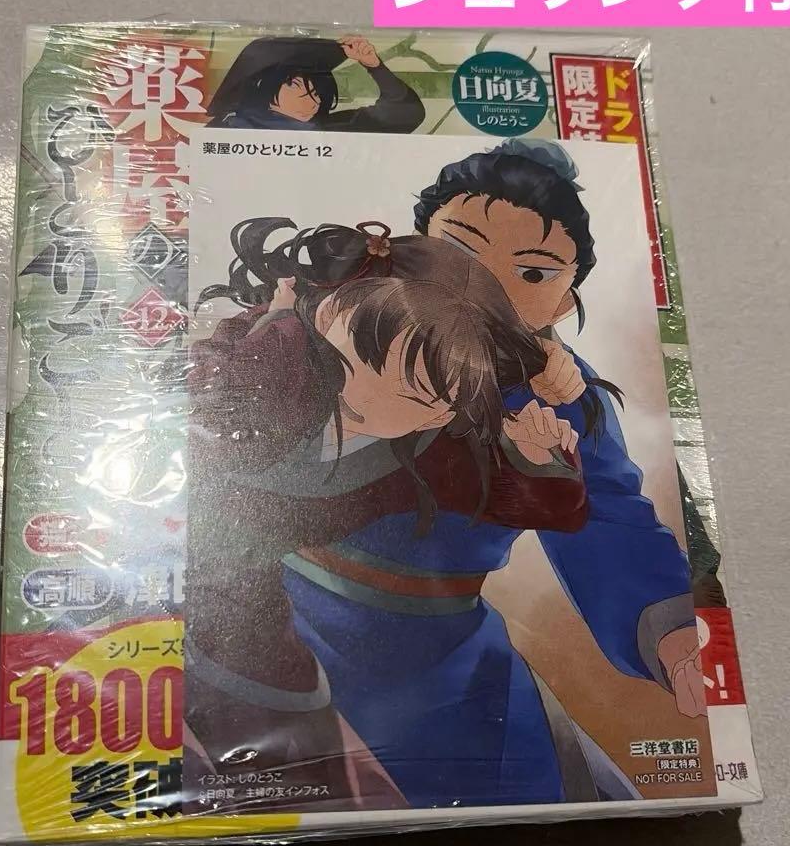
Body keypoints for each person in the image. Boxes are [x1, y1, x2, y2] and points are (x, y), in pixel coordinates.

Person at [282, 141, 708, 808]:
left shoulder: (561, 397)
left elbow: (606, 518)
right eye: (461, 251)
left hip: (439, 660)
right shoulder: (339, 317)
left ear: (563, 302)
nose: (485, 285)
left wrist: (673, 631)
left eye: (533, 273)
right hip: (274, 609)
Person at [182, 219, 587, 812]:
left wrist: (534, 458)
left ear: (441, 411)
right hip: (195, 543)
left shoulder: (429, 444)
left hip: (260, 593)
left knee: (280, 716)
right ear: (326, 315)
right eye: (357, 362)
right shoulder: (283, 358)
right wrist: (282, 323)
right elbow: (209, 397)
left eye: (414, 396)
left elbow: (533, 506)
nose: (368, 396)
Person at [205, 35, 424, 133]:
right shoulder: (228, 128)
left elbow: (405, 115)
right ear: (262, 85)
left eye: (317, 93)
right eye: (295, 86)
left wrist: (374, 66)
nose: (312, 102)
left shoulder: (330, 128)